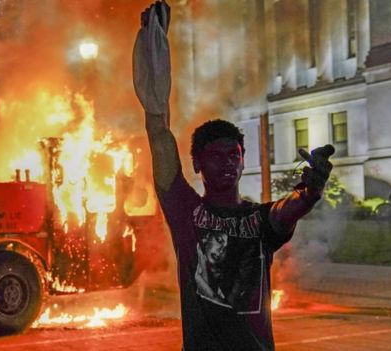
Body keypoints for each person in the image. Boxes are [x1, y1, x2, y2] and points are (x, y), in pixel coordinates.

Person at [132, 1, 334, 350]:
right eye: (215, 156)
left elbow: (290, 208)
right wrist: (155, 54)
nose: (227, 162)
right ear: (197, 164)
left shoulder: (260, 219)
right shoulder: (185, 210)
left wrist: (311, 189)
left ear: (243, 161)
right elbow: (158, 131)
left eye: (234, 155)